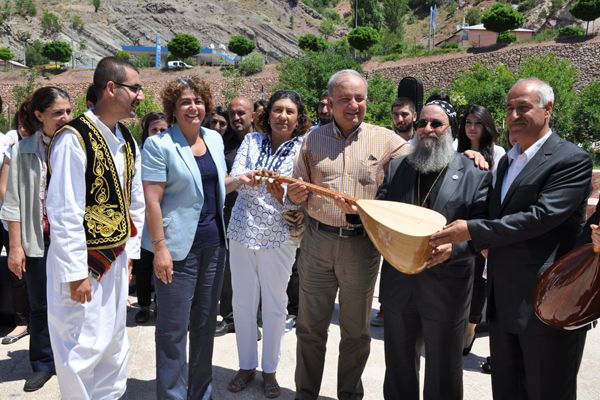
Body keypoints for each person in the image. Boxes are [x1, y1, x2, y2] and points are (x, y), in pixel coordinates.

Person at [430, 78, 593, 400]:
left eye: (524, 107)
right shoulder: (506, 162)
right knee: (507, 389)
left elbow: (540, 218)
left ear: (548, 109)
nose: (514, 115)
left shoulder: (570, 160)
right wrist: (458, 248)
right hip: (504, 303)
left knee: (547, 390)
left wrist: (472, 230)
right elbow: (496, 222)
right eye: (509, 108)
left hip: (548, 302)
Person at [288, 69, 410, 400]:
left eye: (359, 98)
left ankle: (349, 394)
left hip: (361, 246)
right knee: (310, 328)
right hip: (317, 242)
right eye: (345, 99)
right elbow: (295, 188)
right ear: (330, 102)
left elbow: (426, 163)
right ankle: (306, 393)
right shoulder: (312, 139)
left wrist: (472, 151)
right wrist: (294, 195)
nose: (353, 105)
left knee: (356, 332)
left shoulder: (387, 141)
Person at [369, 101, 491, 400]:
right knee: (398, 364)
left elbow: (483, 229)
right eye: (422, 123)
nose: (427, 130)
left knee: (444, 369)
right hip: (400, 282)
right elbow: (383, 212)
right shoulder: (399, 167)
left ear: (450, 129)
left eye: (437, 124)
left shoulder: (474, 172)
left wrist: (456, 248)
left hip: (447, 286)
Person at [142, 76, 253, 399]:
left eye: (199, 101)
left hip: (213, 245)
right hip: (177, 250)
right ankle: (173, 394)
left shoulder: (214, 140)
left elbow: (215, 186)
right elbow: (152, 201)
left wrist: (240, 180)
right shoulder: (159, 145)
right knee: (173, 331)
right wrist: (160, 248)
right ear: (173, 109)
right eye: (185, 102)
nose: (194, 108)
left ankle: (201, 393)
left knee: (204, 328)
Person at [46, 56, 146, 400]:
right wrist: (76, 273)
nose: (141, 96)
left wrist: (130, 254)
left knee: (114, 344)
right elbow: (64, 211)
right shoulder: (74, 139)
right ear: (111, 88)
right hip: (82, 266)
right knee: (81, 345)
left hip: (116, 261)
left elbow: (135, 205)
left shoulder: (127, 141)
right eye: (135, 88)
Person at [226, 90, 310, 398]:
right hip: (241, 230)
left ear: (298, 118)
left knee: (275, 306)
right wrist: (247, 179)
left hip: (279, 236)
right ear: (267, 114)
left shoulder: (304, 148)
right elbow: (236, 178)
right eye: (277, 110)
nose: (282, 116)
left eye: (289, 111)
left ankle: (270, 370)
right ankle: (247, 366)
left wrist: (281, 195)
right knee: (243, 303)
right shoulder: (252, 141)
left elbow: (302, 195)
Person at [0, 87, 72, 392]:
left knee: (73, 302)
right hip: (38, 239)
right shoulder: (23, 150)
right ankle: (43, 363)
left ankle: (71, 358)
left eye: (69, 111)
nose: (67, 118)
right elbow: (13, 202)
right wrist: (15, 247)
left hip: (71, 240)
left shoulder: (76, 145)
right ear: (40, 116)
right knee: (40, 304)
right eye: (58, 113)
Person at [456, 104, 506, 356]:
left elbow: (498, 195)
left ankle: (470, 328)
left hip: (484, 222)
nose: (472, 128)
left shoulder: (497, 153)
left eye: (477, 123)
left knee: (478, 280)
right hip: (457, 220)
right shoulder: (456, 149)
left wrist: (489, 233)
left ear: (487, 126)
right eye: (468, 123)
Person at [216, 96, 256, 337]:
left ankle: (253, 319)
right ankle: (230, 317)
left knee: (257, 271)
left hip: (259, 216)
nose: (236, 118)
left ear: (252, 115)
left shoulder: (264, 141)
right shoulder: (222, 144)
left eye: (241, 113)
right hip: (230, 213)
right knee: (229, 270)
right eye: (232, 114)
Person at [132, 111, 168, 324]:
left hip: (165, 217)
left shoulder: (174, 151)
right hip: (143, 218)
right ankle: (144, 306)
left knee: (162, 264)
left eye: (163, 130)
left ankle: (162, 305)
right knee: (143, 266)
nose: (158, 133)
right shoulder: (139, 153)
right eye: (153, 129)